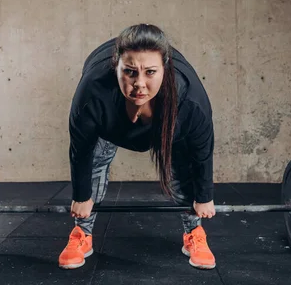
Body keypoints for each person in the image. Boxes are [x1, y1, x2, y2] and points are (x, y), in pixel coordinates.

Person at [59, 23, 216, 270]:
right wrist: (81, 196)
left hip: (167, 127)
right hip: (112, 125)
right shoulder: (92, 93)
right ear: (116, 68)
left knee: (183, 172)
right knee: (96, 163)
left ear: (165, 69)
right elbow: (81, 150)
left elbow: (202, 152)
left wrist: (205, 197)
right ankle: (82, 234)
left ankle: (194, 233)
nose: (139, 84)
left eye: (150, 72)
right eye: (130, 72)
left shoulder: (189, 102)